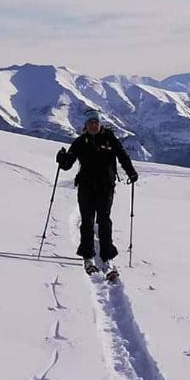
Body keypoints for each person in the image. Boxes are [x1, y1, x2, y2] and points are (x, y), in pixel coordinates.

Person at [56, 108, 138, 273]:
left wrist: (131, 171)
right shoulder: (80, 142)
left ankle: (107, 256)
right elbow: (67, 165)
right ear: (86, 125)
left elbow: (122, 156)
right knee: (87, 221)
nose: (93, 125)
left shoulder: (110, 138)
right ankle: (88, 256)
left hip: (106, 186)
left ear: (100, 124)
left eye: (96, 122)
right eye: (90, 123)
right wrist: (62, 158)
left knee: (104, 221)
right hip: (86, 186)